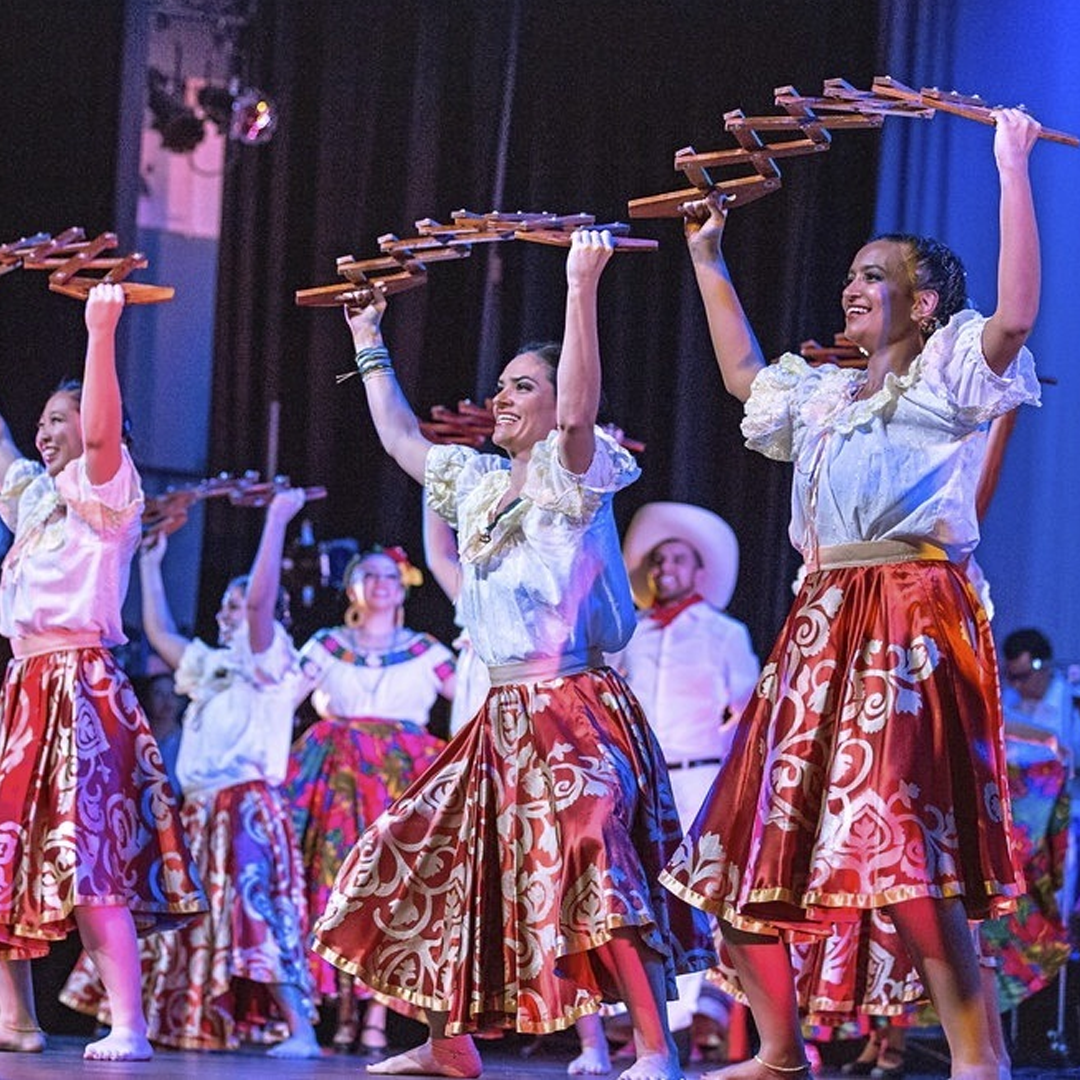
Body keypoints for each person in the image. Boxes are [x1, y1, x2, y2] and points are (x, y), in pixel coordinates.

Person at [660, 107, 1043, 1080]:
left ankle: (977, 1050)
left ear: (922, 306)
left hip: (910, 608)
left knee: (905, 835)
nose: (852, 284)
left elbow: (1016, 317)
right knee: (742, 834)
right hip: (821, 616)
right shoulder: (826, 396)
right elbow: (746, 375)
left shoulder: (949, 376)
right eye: (853, 272)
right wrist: (708, 259)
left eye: (876, 274)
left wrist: (1010, 165)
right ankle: (781, 1049)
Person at [311, 229, 715, 1080]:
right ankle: (446, 1045)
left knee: (592, 854)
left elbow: (575, 411)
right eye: (501, 385)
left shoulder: (577, 470)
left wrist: (581, 285)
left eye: (520, 386)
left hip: (569, 705)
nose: (502, 398)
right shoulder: (474, 481)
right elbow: (397, 440)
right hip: (499, 713)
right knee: (427, 850)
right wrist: (366, 339)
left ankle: (655, 1049)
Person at [0, 283, 205, 1061]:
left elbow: (98, 437)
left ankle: (129, 1023)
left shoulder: (103, 494)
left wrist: (101, 328)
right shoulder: (37, 502)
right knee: (7, 852)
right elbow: (5, 450)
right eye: (45, 420)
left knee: (87, 860)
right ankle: (16, 1017)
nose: (49, 432)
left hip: (80, 687)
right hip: (24, 690)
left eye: (64, 419)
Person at [61, 489, 321, 1056]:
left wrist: (276, 521)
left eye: (239, 604)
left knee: (254, 912)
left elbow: (258, 607)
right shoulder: (212, 664)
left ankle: (299, 1028)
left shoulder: (270, 657)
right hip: (201, 809)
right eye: (224, 605)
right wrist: (151, 568)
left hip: (246, 805)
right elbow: (162, 636)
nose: (231, 612)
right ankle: (166, 1019)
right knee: (188, 922)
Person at [282, 544, 455, 1054]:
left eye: (390, 577)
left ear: (403, 588)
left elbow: (468, 696)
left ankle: (377, 1012)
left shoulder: (428, 651)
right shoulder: (326, 645)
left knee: (394, 886)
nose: (381, 584)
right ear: (353, 588)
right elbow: (279, 697)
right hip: (336, 771)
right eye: (370, 576)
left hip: (403, 773)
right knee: (335, 879)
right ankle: (337, 1006)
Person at [611, 501, 759, 1060]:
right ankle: (640, 1015)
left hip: (697, 776)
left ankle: (678, 1021)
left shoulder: (722, 632)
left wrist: (729, 761)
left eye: (676, 559)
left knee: (689, 894)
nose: (664, 569)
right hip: (640, 780)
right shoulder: (633, 634)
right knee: (637, 892)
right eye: (656, 561)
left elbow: (745, 703)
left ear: (699, 571)